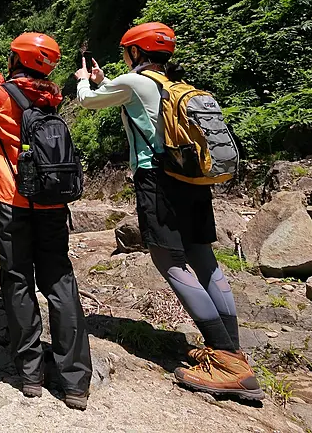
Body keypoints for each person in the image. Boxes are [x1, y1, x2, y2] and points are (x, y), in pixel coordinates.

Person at [75, 22, 263, 401]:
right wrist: (105, 79)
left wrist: (84, 81)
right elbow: (138, 101)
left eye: (126, 51)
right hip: (191, 180)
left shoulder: (133, 81)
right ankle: (232, 351)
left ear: (135, 52)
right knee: (204, 260)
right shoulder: (172, 84)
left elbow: (88, 101)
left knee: (170, 262)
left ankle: (227, 363)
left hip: (158, 181)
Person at [0, 32, 92, 410]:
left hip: (11, 200)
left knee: (18, 279)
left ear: (16, 60)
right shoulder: (52, 95)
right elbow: (15, 91)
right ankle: (75, 382)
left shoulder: (0, 96)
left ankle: (31, 375)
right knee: (59, 280)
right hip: (52, 202)